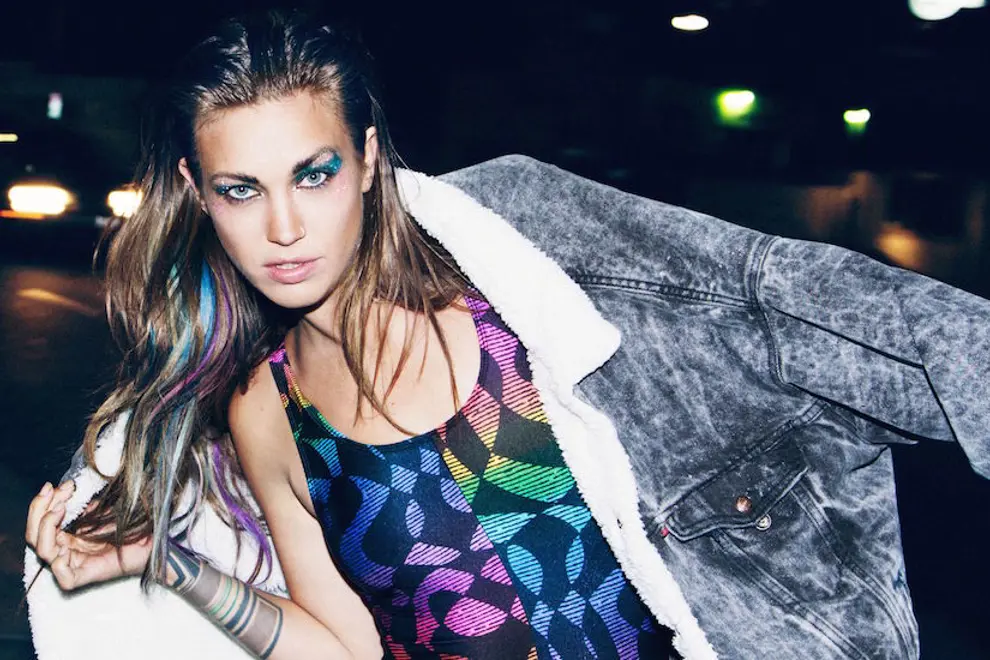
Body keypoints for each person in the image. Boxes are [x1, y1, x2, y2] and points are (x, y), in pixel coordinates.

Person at [22, 9, 990, 660]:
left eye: (313, 174)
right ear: (197, 194)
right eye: (242, 190)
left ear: (367, 159)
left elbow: (824, 305)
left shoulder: (517, 284)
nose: (283, 228)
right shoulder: (267, 410)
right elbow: (345, 646)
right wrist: (171, 564)